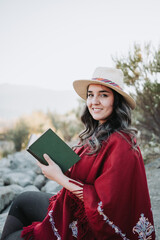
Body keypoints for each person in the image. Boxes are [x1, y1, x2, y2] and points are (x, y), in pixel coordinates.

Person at [1, 67, 155, 240]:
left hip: (90, 223)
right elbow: (86, 173)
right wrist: (57, 162)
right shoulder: (99, 132)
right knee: (23, 200)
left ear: (116, 101)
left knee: (12, 237)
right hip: (76, 205)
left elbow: (104, 204)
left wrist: (59, 178)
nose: (94, 101)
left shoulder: (121, 143)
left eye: (103, 95)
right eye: (90, 94)